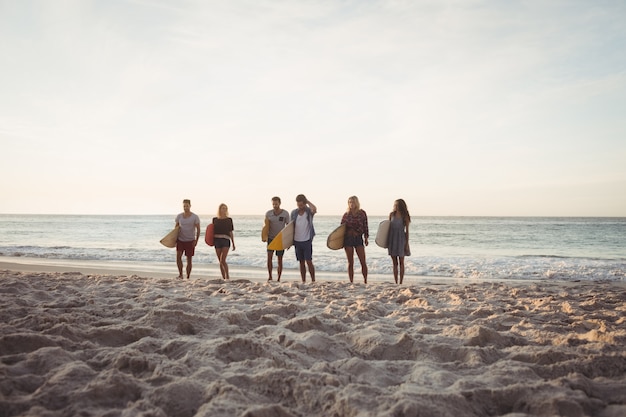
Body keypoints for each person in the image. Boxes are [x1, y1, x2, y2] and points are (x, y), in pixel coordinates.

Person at [341, 196, 369, 284]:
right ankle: (351, 281)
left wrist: (366, 238)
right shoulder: (346, 215)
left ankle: (365, 280)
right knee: (350, 262)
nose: (351, 204)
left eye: (353, 202)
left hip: (358, 238)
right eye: (349, 202)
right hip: (348, 239)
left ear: (356, 203)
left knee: (363, 261)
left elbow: (365, 226)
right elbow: (341, 228)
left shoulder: (362, 213)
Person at [291, 194, 317, 283]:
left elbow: (314, 209)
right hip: (297, 241)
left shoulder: (308, 212)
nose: (300, 207)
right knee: (301, 262)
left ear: (304, 203)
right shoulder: (294, 213)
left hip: (307, 240)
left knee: (309, 261)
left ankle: (313, 280)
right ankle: (303, 281)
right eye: (298, 205)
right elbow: (290, 227)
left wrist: (308, 201)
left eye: (301, 205)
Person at [265, 196, 289, 281]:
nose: (275, 205)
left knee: (279, 259)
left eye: (276, 204)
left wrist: (289, 241)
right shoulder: (268, 213)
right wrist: (264, 236)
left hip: (280, 239)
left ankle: (278, 278)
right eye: (273, 204)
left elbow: (288, 227)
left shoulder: (285, 213)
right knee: (269, 257)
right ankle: (270, 276)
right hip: (271, 238)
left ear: (280, 203)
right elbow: (265, 226)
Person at [175, 199, 200, 279]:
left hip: (190, 240)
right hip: (180, 240)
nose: (185, 208)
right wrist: (174, 238)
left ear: (190, 206)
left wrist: (196, 240)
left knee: (189, 259)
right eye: (184, 206)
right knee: (178, 257)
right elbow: (176, 227)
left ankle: (188, 276)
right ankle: (180, 274)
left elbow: (198, 229)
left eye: (187, 206)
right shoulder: (179, 216)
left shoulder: (194, 217)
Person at [388, 199, 411, 284]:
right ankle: (396, 282)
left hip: (401, 239)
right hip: (392, 239)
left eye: (397, 205)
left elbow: (407, 231)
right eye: (394, 205)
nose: (395, 207)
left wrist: (407, 243)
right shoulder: (391, 215)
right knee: (394, 262)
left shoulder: (405, 216)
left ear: (401, 206)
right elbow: (388, 228)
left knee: (401, 261)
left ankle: (401, 282)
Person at [213, 203, 235, 280]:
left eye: (225, 208)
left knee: (223, 260)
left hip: (225, 240)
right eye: (223, 208)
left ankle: (227, 276)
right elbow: (211, 231)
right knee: (220, 261)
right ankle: (223, 278)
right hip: (217, 240)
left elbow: (230, 232)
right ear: (220, 209)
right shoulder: (215, 219)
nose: (224, 210)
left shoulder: (229, 220)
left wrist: (233, 243)